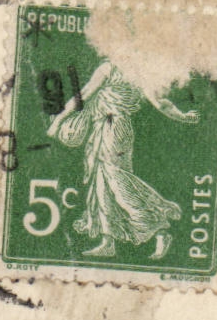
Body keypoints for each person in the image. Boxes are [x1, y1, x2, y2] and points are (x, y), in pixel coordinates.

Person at [47, 60, 198, 259]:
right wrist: (183, 116)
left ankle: (159, 227)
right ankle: (107, 241)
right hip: (109, 128)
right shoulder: (140, 72)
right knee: (101, 182)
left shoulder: (109, 69)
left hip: (112, 128)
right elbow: (161, 103)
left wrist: (58, 121)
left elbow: (82, 95)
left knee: (116, 182)